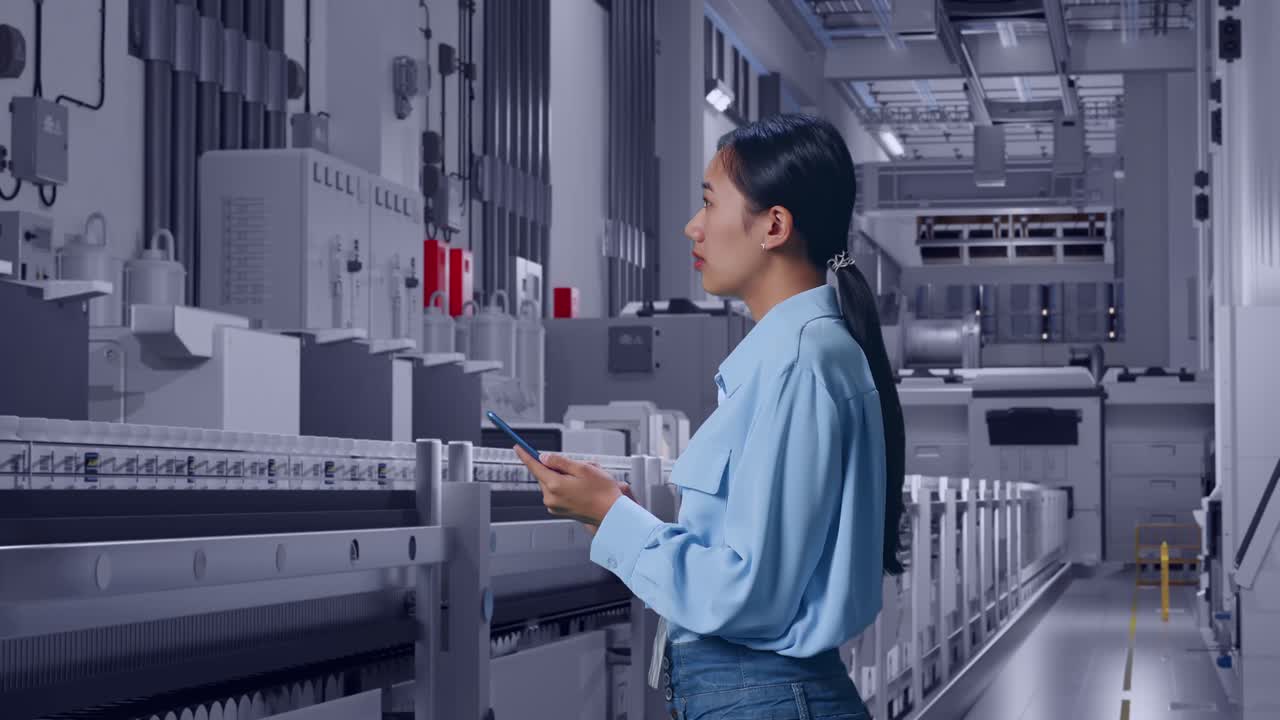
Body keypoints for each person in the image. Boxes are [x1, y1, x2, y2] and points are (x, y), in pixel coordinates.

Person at [515, 113, 906, 719]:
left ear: (774, 225)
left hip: (765, 696)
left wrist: (612, 518)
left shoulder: (798, 362)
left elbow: (751, 593)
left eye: (709, 202)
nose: (692, 227)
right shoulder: (793, 355)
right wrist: (613, 516)